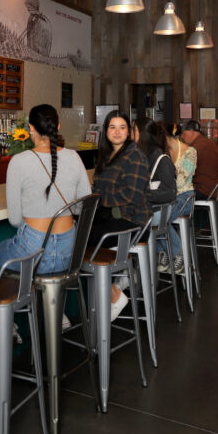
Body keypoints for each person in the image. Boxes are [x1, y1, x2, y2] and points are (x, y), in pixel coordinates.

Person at [0, 104, 91, 277]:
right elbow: (82, 207)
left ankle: (17, 303)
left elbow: (15, 219)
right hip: (69, 253)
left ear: (30, 128)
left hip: (32, 251)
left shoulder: (19, 161)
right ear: (58, 127)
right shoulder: (74, 157)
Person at [88, 110, 148, 320]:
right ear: (106, 131)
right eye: (112, 127)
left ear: (129, 131)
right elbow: (97, 185)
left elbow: (131, 194)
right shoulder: (106, 156)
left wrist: (100, 200)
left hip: (132, 222)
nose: (117, 132)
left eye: (122, 127)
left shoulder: (135, 156)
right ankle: (118, 279)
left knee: (83, 241)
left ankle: (114, 293)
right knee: (77, 235)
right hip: (112, 218)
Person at [134, 118, 180, 273]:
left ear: (141, 134)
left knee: (123, 224)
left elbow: (170, 193)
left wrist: (143, 194)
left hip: (157, 212)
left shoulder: (161, 159)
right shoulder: (138, 155)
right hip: (148, 210)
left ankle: (130, 276)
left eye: (132, 130)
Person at [163, 122, 197, 275]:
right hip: (168, 197)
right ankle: (166, 248)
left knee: (162, 218)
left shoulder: (190, 152)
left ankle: (177, 252)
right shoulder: (162, 153)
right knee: (154, 217)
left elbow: (181, 181)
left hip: (184, 196)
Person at [180, 119, 218, 201]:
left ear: (191, 131)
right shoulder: (210, 142)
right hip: (213, 190)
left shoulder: (194, 149)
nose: (182, 137)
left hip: (200, 191)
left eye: (183, 133)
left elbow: (185, 173)